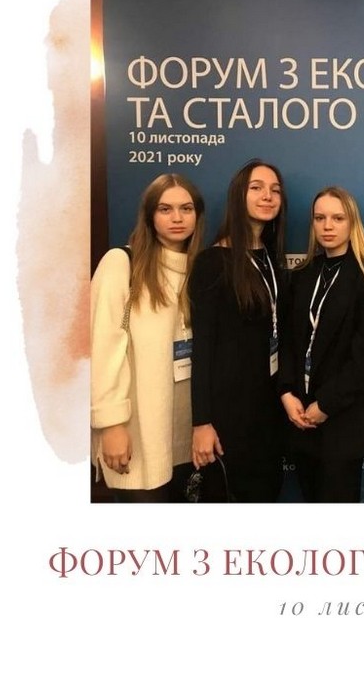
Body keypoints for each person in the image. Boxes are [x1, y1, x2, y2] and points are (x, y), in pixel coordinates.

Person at [90, 173, 205, 502]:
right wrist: (111, 424)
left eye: (186, 209)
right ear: (150, 215)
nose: (177, 218)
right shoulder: (122, 263)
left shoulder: (200, 269)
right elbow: (102, 349)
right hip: (136, 433)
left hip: (186, 434)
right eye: (165, 209)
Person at [279, 187, 364, 502]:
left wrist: (326, 405)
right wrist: (286, 392)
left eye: (338, 218)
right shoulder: (302, 276)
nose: (327, 226)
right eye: (320, 218)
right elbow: (287, 341)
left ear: (351, 223)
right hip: (300, 417)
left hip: (343, 421)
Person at [189, 159, 288, 502]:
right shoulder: (212, 263)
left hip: (269, 410)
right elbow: (202, 348)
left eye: (275, 190)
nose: (267, 196)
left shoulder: (271, 259)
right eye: (256, 188)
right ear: (238, 196)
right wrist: (202, 423)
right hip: (228, 416)